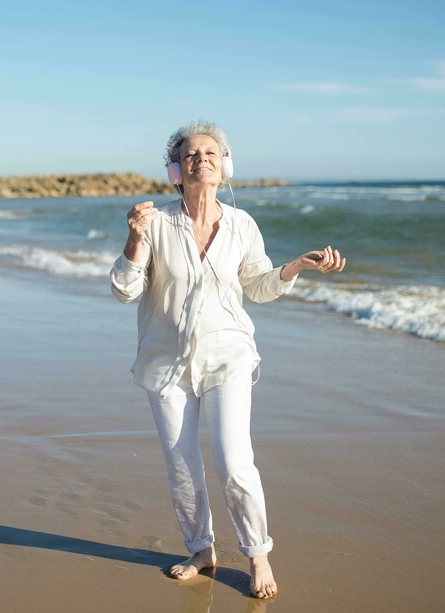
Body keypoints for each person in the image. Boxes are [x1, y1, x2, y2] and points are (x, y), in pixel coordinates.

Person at [109, 121, 346, 599]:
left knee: (235, 462)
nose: (203, 160)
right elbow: (123, 290)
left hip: (228, 358)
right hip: (165, 364)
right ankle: (201, 550)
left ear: (225, 166)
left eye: (211, 153)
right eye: (192, 155)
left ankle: (257, 554)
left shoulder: (242, 225)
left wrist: (296, 266)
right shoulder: (154, 224)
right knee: (181, 466)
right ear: (176, 171)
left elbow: (259, 287)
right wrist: (133, 240)